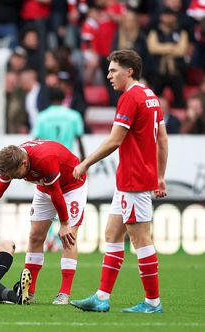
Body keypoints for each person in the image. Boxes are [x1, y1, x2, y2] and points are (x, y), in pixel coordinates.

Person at [70, 49, 168, 314]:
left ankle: (152, 303)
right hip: (132, 179)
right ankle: (101, 297)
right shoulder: (150, 96)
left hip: (134, 180)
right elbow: (163, 139)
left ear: (129, 71)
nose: (109, 75)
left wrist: (85, 163)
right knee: (112, 234)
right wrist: (160, 176)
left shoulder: (130, 97)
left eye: (113, 70)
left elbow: (114, 140)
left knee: (141, 240)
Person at [0, 140, 87, 305]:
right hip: (45, 187)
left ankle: (64, 293)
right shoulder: (11, 161)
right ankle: (29, 291)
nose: (13, 178)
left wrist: (64, 223)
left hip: (72, 186)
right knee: (35, 236)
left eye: (15, 174)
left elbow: (57, 193)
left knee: (68, 237)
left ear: (25, 163)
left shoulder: (44, 160)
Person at [31, 87, 85, 159]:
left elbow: (35, 141)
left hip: (48, 159)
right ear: (63, 98)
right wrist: (84, 160)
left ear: (49, 99)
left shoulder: (42, 117)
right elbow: (79, 141)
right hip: (67, 158)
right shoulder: (74, 116)